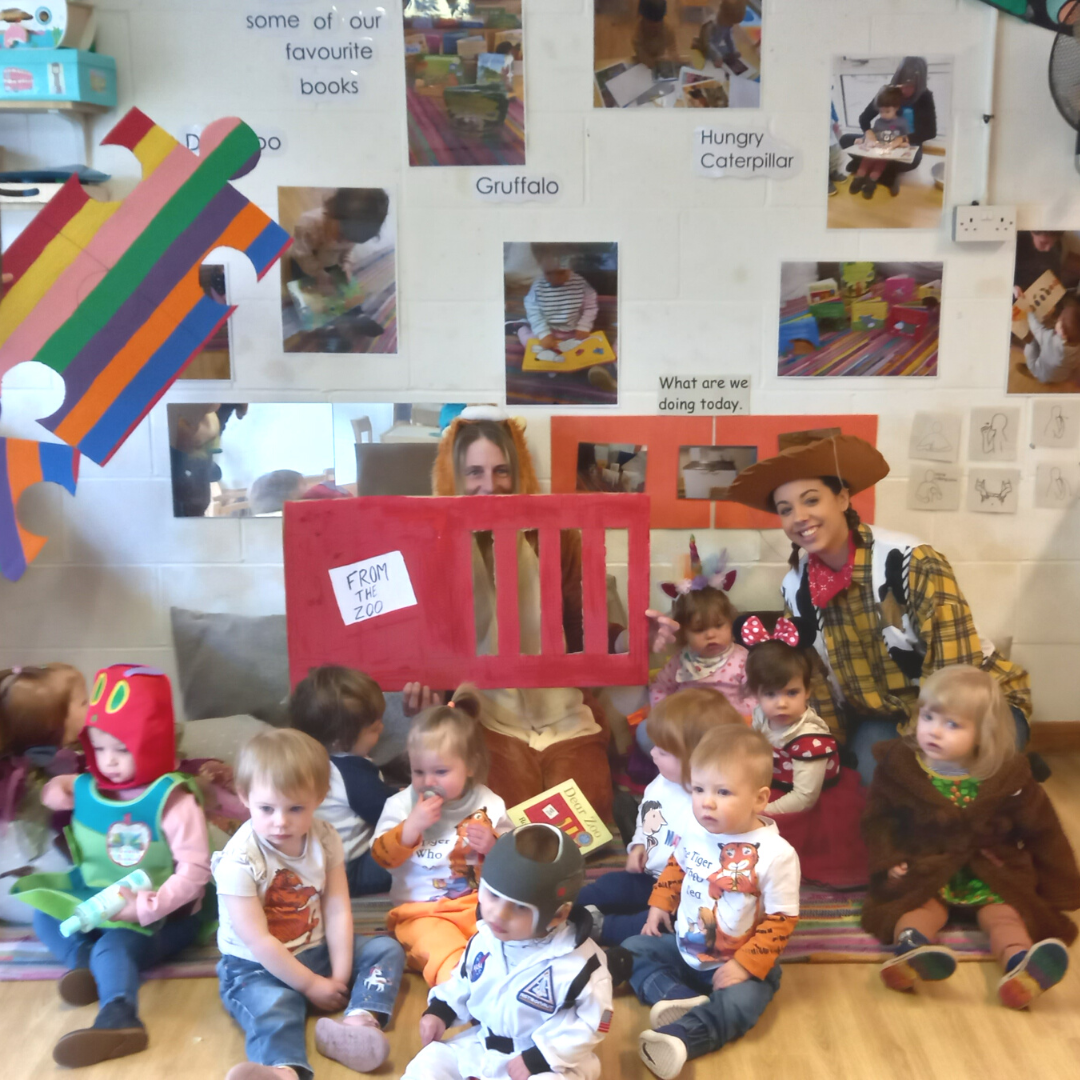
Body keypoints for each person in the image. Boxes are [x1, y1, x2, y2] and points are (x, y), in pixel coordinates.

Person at [418, 408, 679, 824]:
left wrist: (634, 639)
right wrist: (426, 689)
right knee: (510, 823)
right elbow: (428, 643)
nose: (490, 486)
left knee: (582, 822)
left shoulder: (557, 538)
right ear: (454, 475)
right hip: (487, 713)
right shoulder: (430, 547)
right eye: (474, 473)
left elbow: (579, 629)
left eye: (502, 471)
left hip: (561, 708)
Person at [724, 433, 1031, 785]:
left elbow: (955, 672)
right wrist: (824, 748)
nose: (800, 517)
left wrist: (926, 746)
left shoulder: (911, 562)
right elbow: (815, 682)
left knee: (959, 790)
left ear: (842, 498)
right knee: (868, 790)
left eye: (811, 500)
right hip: (885, 713)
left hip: (969, 708)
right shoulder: (796, 589)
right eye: (786, 509)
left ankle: (1012, 768)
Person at [13, 666, 211, 1068]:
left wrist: (147, 906)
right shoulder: (91, 786)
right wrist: (59, 787)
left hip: (162, 917)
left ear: (151, 743)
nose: (110, 761)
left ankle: (120, 1018)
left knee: (115, 944)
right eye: (100, 749)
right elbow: (55, 795)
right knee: (46, 917)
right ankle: (85, 965)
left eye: (123, 749)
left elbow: (195, 872)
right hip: (99, 897)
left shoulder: (173, 801)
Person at [862, 667, 1079, 1009]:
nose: (934, 730)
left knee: (1006, 915)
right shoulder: (898, 769)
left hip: (990, 870)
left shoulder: (1008, 777)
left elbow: (1044, 831)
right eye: (929, 716)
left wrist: (1061, 887)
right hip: (928, 866)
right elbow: (877, 822)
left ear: (982, 734)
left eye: (952, 724)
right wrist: (889, 861)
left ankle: (1020, 966)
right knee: (917, 907)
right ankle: (911, 952)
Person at [215, 728, 403, 1080]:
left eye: (295, 808)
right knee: (275, 1007)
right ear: (244, 796)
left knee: (385, 949)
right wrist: (311, 985)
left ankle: (359, 1021)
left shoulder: (326, 836)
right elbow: (258, 940)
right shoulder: (238, 861)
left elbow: (337, 907)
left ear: (320, 797)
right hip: (254, 967)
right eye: (267, 808)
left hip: (314, 948)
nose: (281, 821)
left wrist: (341, 974)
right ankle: (283, 1070)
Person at [623, 725, 800, 1079]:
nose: (707, 801)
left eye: (723, 791)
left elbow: (781, 921)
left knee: (742, 1004)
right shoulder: (696, 828)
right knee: (631, 949)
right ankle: (679, 997)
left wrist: (747, 966)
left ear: (760, 799)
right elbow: (677, 865)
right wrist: (660, 903)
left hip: (736, 963)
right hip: (686, 946)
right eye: (699, 789)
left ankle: (683, 1036)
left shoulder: (777, 856)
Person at [401, 823, 613, 1080]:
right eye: (492, 895)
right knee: (428, 1062)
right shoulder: (484, 938)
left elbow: (591, 1024)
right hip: (483, 1045)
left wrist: (541, 1056)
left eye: (520, 908)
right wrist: (441, 1011)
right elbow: (464, 979)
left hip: (547, 1061)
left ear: (558, 915)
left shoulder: (584, 966)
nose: (498, 913)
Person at [579, 688, 741, 946]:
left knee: (653, 925)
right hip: (650, 876)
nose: (652, 754)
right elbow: (648, 817)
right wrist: (639, 845)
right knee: (609, 886)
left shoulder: (713, 808)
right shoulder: (663, 782)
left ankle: (595, 927)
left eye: (663, 752)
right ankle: (564, 908)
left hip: (686, 894)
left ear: (696, 761)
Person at [371, 691, 513, 986]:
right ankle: (457, 989)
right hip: (421, 913)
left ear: (470, 767)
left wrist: (494, 845)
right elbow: (380, 857)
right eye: (418, 771)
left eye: (441, 771)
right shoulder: (400, 806)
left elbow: (515, 862)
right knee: (442, 948)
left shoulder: (488, 803)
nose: (428, 782)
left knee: (512, 941)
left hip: (480, 907)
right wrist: (410, 828)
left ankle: (497, 982)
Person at [741, 628, 868, 888]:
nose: (782, 704)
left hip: (814, 799)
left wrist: (762, 812)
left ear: (807, 690)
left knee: (777, 843)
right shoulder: (761, 716)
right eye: (770, 694)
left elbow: (804, 798)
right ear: (756, 694)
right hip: (779, 782)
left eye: (791, 693)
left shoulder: (809, 738)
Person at [287, 665, 395, 896]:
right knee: (414, 848)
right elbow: (390, 811)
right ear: (340, 740)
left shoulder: (312, 761)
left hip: (316, 867)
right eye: (374, 730)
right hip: (351, 872)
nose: (383, 729)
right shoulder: (351, 773)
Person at [0, 664, 87, 922]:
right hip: (31, 888)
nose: (90, 708)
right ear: (53, 721)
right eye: (83, 703)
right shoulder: (26, 774)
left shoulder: (55, 761)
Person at [649, 538, 754, 717]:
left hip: (730, 728)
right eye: (699, 630)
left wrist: (739, 716)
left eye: (719, 625)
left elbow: (755, 695)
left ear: (731, 623)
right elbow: (660, 687)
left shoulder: (742, 659)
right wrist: (665, 714)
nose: (711, 634)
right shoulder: (681, 659)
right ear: (684, 632)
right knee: (646, 734)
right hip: (688, 728)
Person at [842, 56, 936, 196]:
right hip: (881, 137)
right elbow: (864, 118)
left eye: (911, 86)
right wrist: (869, 135)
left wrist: (902, 140)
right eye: (902, 85)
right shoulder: (888, 91)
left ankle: (878, 171)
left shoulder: (925, 96)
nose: (905, 90)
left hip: (907, 140)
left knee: (914, 161)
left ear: (920, 84)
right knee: (845, 140)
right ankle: (882, 172)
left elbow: (930, 131)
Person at [517, 244, 599, 357]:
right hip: (547, 329)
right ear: (540, 266)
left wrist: (584, 326)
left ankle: (556, 358)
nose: (555, 278)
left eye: (561, 272)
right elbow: (533, 311)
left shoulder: (580, 284)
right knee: (525, 335)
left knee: (589, 345)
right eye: (548, 273)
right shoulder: (538, 286)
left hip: (572, 331)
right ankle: (546, 354)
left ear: (571, 265)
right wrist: (543, 334)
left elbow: (590, 307)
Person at [848, 86, 909, 199]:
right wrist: (863, 140)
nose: (883, 115)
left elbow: (904, 138)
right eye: (881, 111)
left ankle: (871, 183)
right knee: (863, 164)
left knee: (878, 168)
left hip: (886, 153)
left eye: (887, 111)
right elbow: (872, 135)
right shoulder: (879, 121)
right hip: (874, 150)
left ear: (896, 108)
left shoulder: (902, 122)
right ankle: (859, 178)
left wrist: (899, 144)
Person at [1021, 293, 1080, 384]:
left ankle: (1033, 373)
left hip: (1042, 374)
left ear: (1063, 334)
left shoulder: (1051, 340)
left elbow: (1037, 329)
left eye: (1059, 319)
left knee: (1030, 344)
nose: (1058, 319)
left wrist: (1029, 313)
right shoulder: (1076, 341)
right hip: (1062, 376)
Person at [632, 1, 677, 73]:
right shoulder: (639, 29)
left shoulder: (667, 28)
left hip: (660, 59)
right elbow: (638, 48)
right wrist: (649, 62)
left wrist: (672, 57)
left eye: (658, 23)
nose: (654, 27)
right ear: (642, 18)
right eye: (650, 23)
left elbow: (673, 49)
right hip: (643, 62)